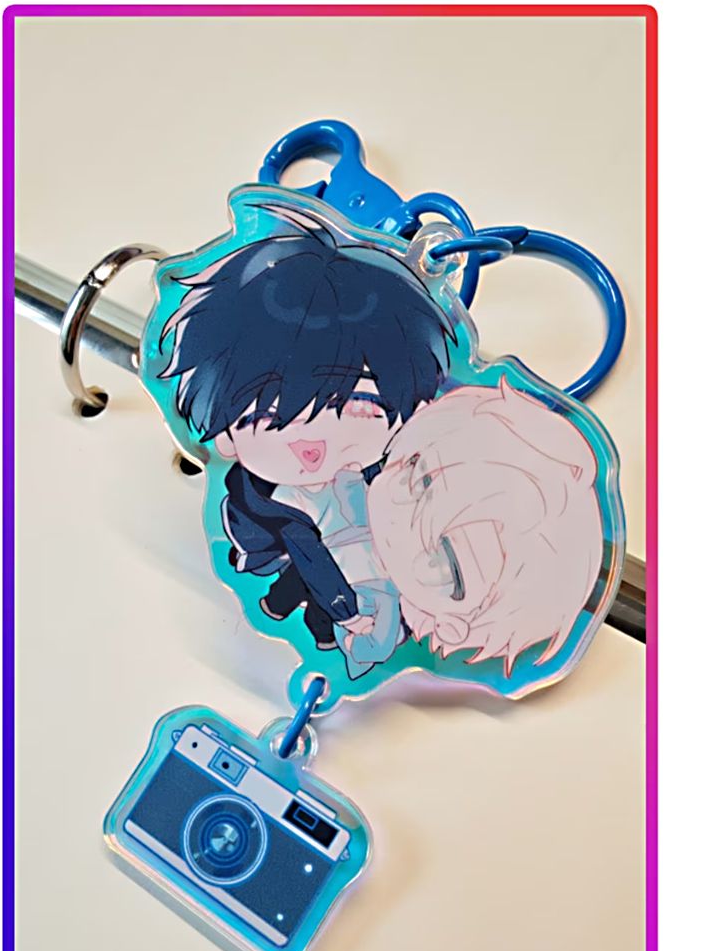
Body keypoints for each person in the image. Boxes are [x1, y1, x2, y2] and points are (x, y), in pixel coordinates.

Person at [158, 204, 455, 649]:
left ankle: (286, 607)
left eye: (358, 406)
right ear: (225, 438)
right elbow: (315, 559)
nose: (310, 441)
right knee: (311, 568)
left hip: (332, 529)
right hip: (274, 543)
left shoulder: (386, 469)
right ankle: (310, 625)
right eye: (264, 417)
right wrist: (347, 615)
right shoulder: (271, 499)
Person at [367, 377, 604, 675]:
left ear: (452, 626)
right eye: (417, 476)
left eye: (441, 563)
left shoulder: (377, 624)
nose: (396, 522)